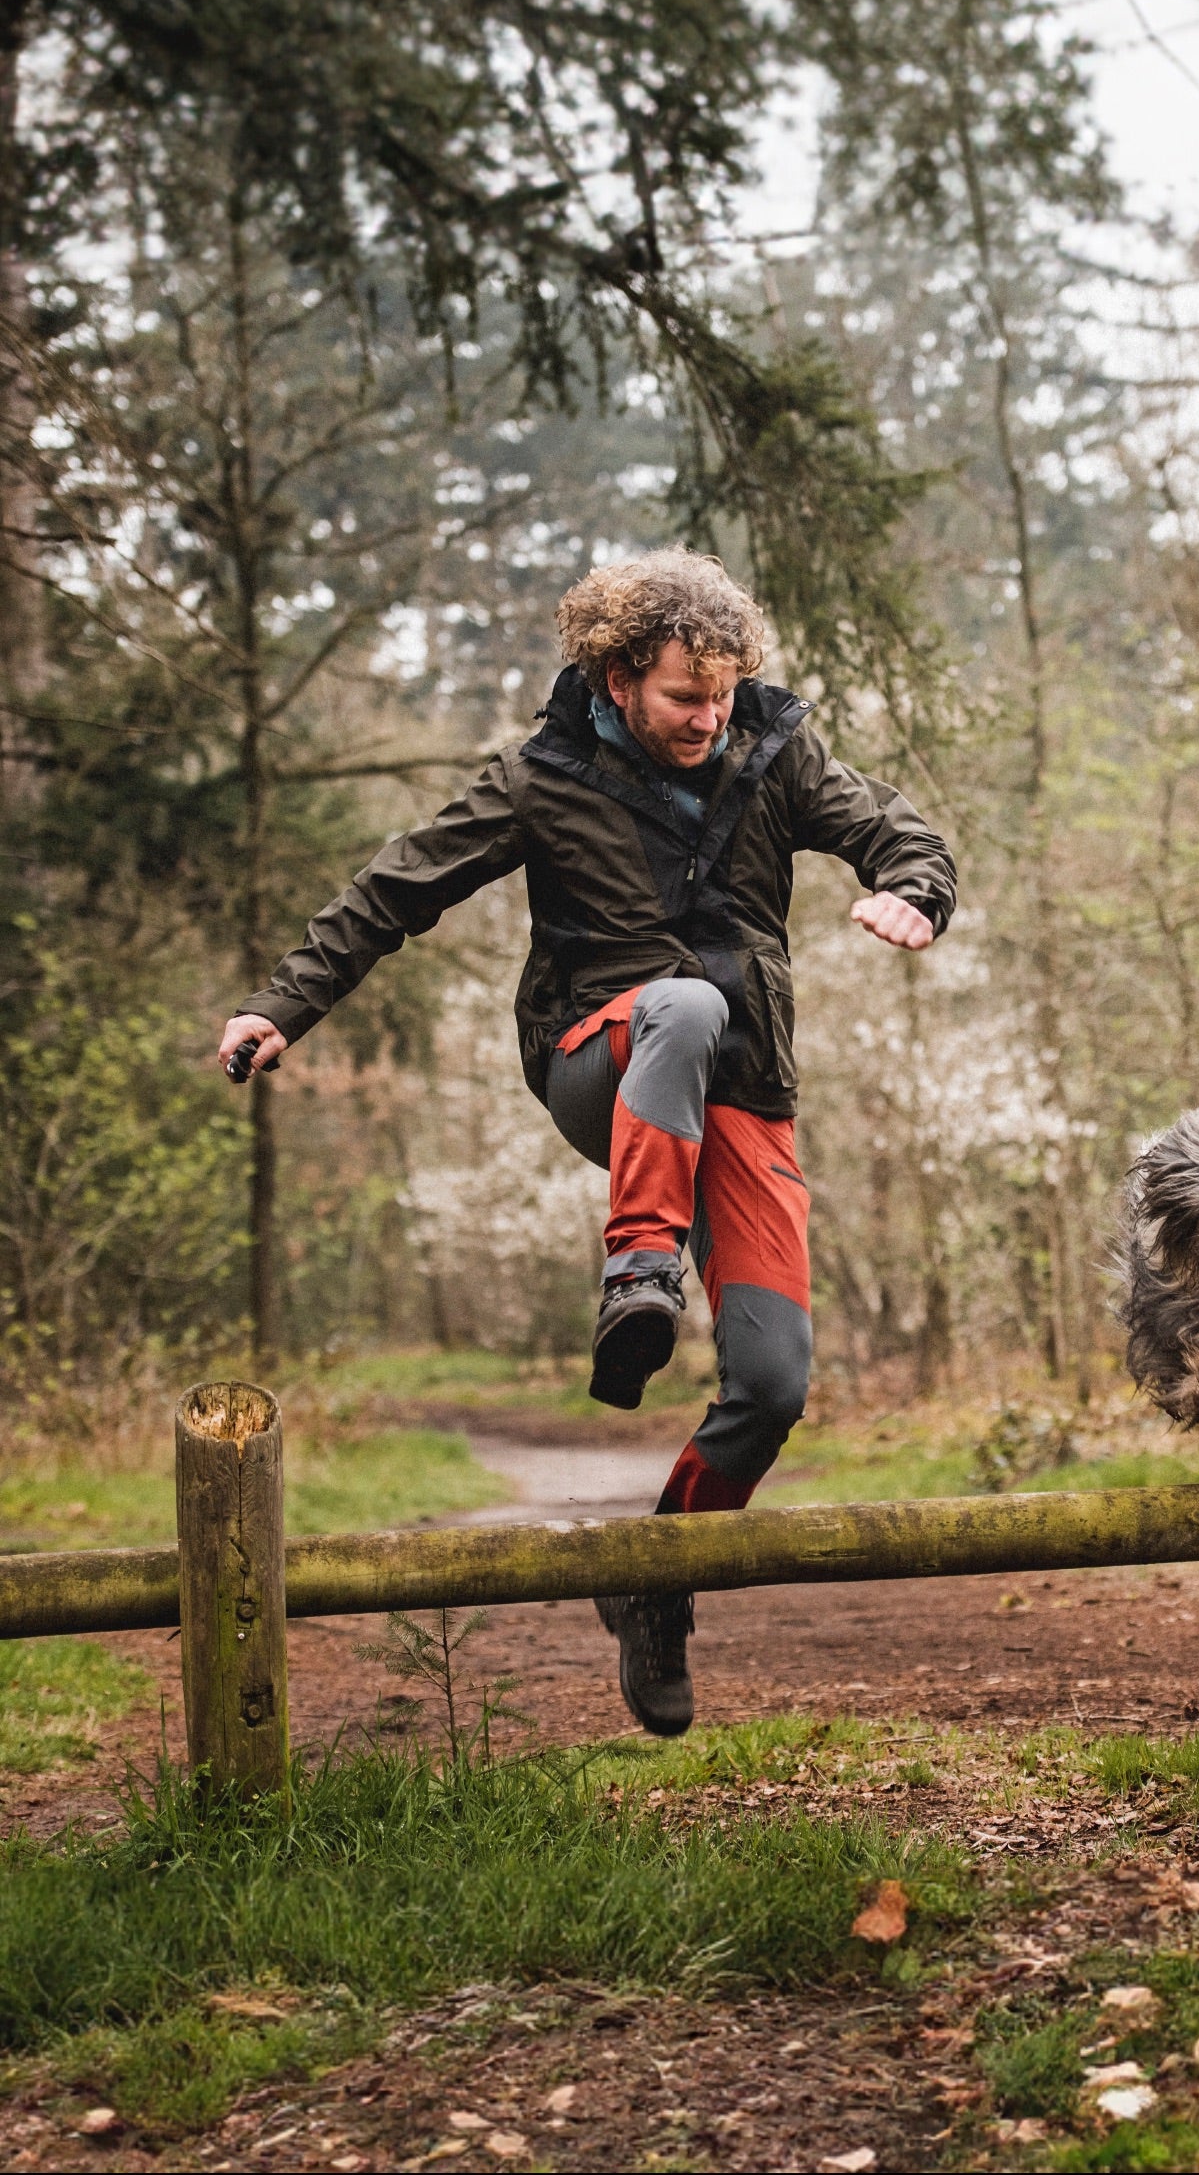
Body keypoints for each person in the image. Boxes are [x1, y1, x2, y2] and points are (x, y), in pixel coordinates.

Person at [217, 547, 957, 1735]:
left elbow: (892, 830)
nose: (707, 717)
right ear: (618, 678)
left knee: (771, 1385)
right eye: (682, 696)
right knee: (683, 1002)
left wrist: (913, 891)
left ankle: (658, 1580)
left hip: (742, 1092)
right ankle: (638, 1272)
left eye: (721, 693)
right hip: (596, 1062)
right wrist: (279, 1004)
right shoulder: (540, 776)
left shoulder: (774, 754)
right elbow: (393, 889)